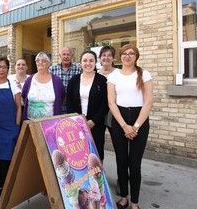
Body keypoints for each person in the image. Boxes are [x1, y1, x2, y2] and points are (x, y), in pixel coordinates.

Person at [107, 44, 153, 209]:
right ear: (120, 56)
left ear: (136, 56)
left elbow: (148, 103)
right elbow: (111, 103)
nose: (127, 56)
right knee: (121, 161)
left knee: (134, 163)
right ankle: (124, 198)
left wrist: (136, 126)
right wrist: (125, 126)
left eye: (131, 53)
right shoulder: (113, 76)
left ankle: (135, 202)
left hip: (139, 119)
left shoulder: (144, 74)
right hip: (120, 120)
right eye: (124, 54)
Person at [66, 50, 108, 162]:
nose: (88, 63)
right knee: (80, 152)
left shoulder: (102, 80)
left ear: (96, 63)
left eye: (91, 61)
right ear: (80, 63)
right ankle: (83, 178)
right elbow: (69, 101)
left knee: (96, 152)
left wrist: (92, 121)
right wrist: (76, 119)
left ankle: (98, 176)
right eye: (85, 60)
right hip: (76, 124)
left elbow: (105, 104)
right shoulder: (73, 80)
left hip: (96, 124)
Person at [0, 57, 22, 200]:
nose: (1, 70)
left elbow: (18, 107)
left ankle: (10, 186)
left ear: (8, 69)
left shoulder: (14, 86)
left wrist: (17, 126)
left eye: (4, 67)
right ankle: (1, 186)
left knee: (9, 159)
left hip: (10, 128)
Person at [97, 45, 120, 194]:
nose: (106, 58)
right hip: (98, 114)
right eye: (103, 55)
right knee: (98, 147)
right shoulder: (95, 73)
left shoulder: (118, 73)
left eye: (109, 55)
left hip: (114, 114)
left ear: (113, 58)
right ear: (100, 58)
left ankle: (121, 179)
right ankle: (100, 177)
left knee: (119, 148)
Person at [22, 52, 65, 121]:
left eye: (43, 61)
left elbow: (62, 98)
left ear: (49, 63)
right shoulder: (29, 80)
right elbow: (24, 97)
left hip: (50, 123)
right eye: (37, 60)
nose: (40, 62)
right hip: (30, 122)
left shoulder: (57, 81)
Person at [49, 47, 81, 113]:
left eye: (68, 54)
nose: (66, 56)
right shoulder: (52, 69)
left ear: (72, 56)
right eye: (64, 54)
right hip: (56, 106)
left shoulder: (78, 70)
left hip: (73, 107)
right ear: (59, 56)